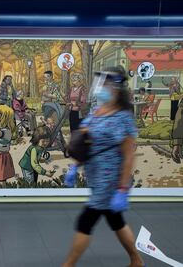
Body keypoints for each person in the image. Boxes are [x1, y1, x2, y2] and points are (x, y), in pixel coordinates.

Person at [63, 66, 144, 267]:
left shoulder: (123, 118)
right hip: (95, 177)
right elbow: (85, 143)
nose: (100, 87)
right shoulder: (97, 112)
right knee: (115, 220)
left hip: (110, 182)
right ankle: (136, 260)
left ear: (116, 87)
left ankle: (68, 264)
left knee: (85, 222)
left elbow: (128, 157)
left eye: (105, 83)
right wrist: (75, 166)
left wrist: (122, 189)